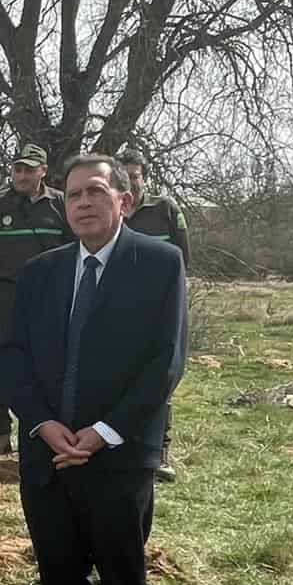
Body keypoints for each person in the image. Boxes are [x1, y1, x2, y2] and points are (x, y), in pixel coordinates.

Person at [0, 152, 187, 585]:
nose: (82, 202)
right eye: (73, 193)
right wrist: (45, 425)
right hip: (49, 453)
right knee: (58, 571)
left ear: (124, 201)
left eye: (95, 192)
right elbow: (13, 358)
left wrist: (104, 432)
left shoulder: (159, 264)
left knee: (122, 578)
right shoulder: (41, 273)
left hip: (119, 454)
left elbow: (165, 363)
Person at [0, 143, 70, 455]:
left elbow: (75, 250)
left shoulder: (60, 205)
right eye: (17, 169)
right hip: (2, 298)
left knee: (48, 364)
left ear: (43, 171)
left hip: (48, 299)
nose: (22, 175)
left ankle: (42, 429)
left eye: (29, 169)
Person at [119, 148, 189, 482]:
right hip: (116, 308)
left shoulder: (164, 210)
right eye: (125, 175)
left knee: (159, 378)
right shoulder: (112, 210)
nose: (131, 181)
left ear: (144, 177)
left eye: (136, 175)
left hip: (155, 307)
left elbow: (182, 259)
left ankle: (159, 452)